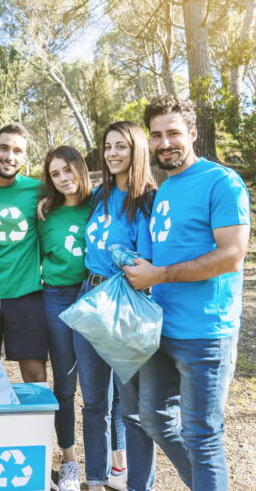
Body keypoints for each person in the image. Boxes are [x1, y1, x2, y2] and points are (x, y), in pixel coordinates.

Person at [122, 95, 251, 491]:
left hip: (205, 334)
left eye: (174, 133)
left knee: (201, 435)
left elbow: (231, 255)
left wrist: (158, 275)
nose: (165, 143)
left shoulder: (221, 182)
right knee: (155, 419)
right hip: (161, 330)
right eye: (157, 135)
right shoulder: (165, 190)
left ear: (192, 134)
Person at [76, 121, 157, 491]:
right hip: (89, 297)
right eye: (107, 146)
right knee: (93, 401)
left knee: (131, 406)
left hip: (126, 302)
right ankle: (95, 479)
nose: (112, 153)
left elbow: (149, 261)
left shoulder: (148, 200)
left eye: (120, 146)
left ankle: (136, 481)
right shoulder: (99, 195)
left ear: (136, 149)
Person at [37, 145, 92, 491]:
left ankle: (114, 462)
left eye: (67, 170)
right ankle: (69, 460)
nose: (62, 179)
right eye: (55, 174)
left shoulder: (100, 203)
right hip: (55, 297)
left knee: (101, 384)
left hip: (92, 294)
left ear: (80, 169)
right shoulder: (44, 214)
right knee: (65, 384)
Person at [0, 123, 48, 383]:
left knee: (35, 371)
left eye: (17, 151)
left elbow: (74, 195)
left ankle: (39, 424)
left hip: (25, 293)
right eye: (4, 148)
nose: (10, 156)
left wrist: (48, 200)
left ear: (25, 157)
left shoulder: (38, 189)